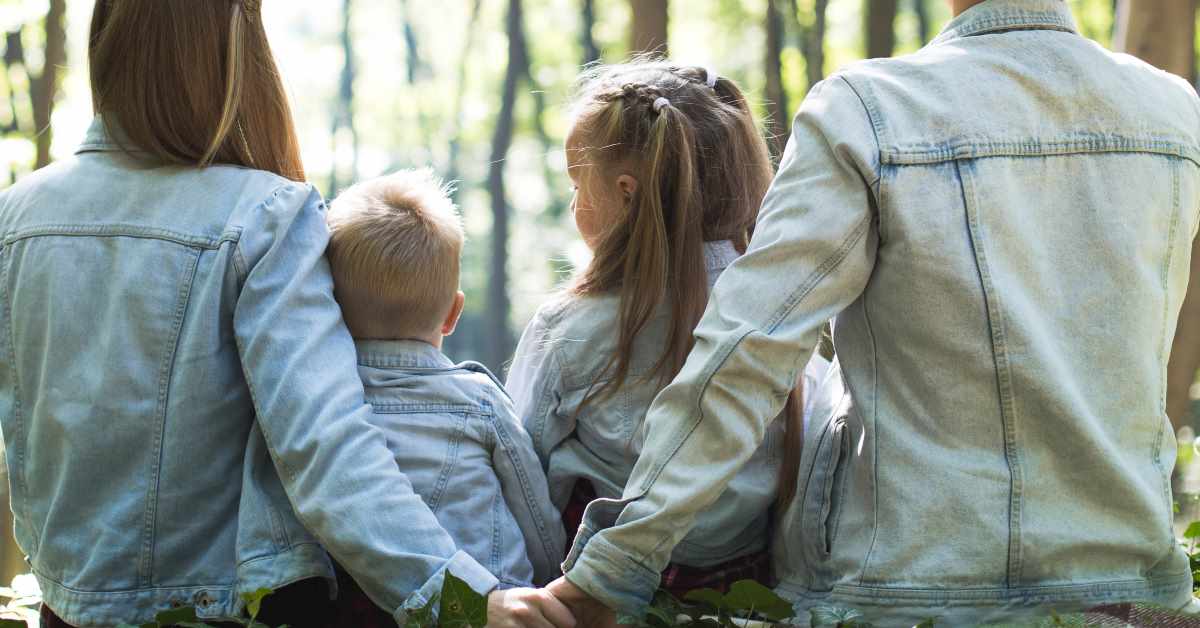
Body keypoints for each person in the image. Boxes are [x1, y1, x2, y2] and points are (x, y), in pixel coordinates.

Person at [546, 0, 1200, 626]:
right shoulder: (1175, 114)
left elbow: (747, 355)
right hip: (1131, 588)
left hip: (906, 593)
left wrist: (615, 566)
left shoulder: (870, 113)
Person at [0, 2, 573, 627]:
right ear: (235, 52)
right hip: (211, 614)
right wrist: (463, 597)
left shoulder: (16, 216)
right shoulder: (262, 216)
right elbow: (325, 447)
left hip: (61, 608)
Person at [507, 61, 835, 599]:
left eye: (576, 182)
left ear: (627, 193)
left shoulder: (572, 327)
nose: (572, 204)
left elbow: (521, 466)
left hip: (594, 595)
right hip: (742, 592)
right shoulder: (783, 318)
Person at [323, 170, 565, 596]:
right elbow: (536, 518)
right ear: (453, 314)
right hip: (489, 603)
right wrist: (547, 581)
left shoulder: (319, 404)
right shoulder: (479, 401)